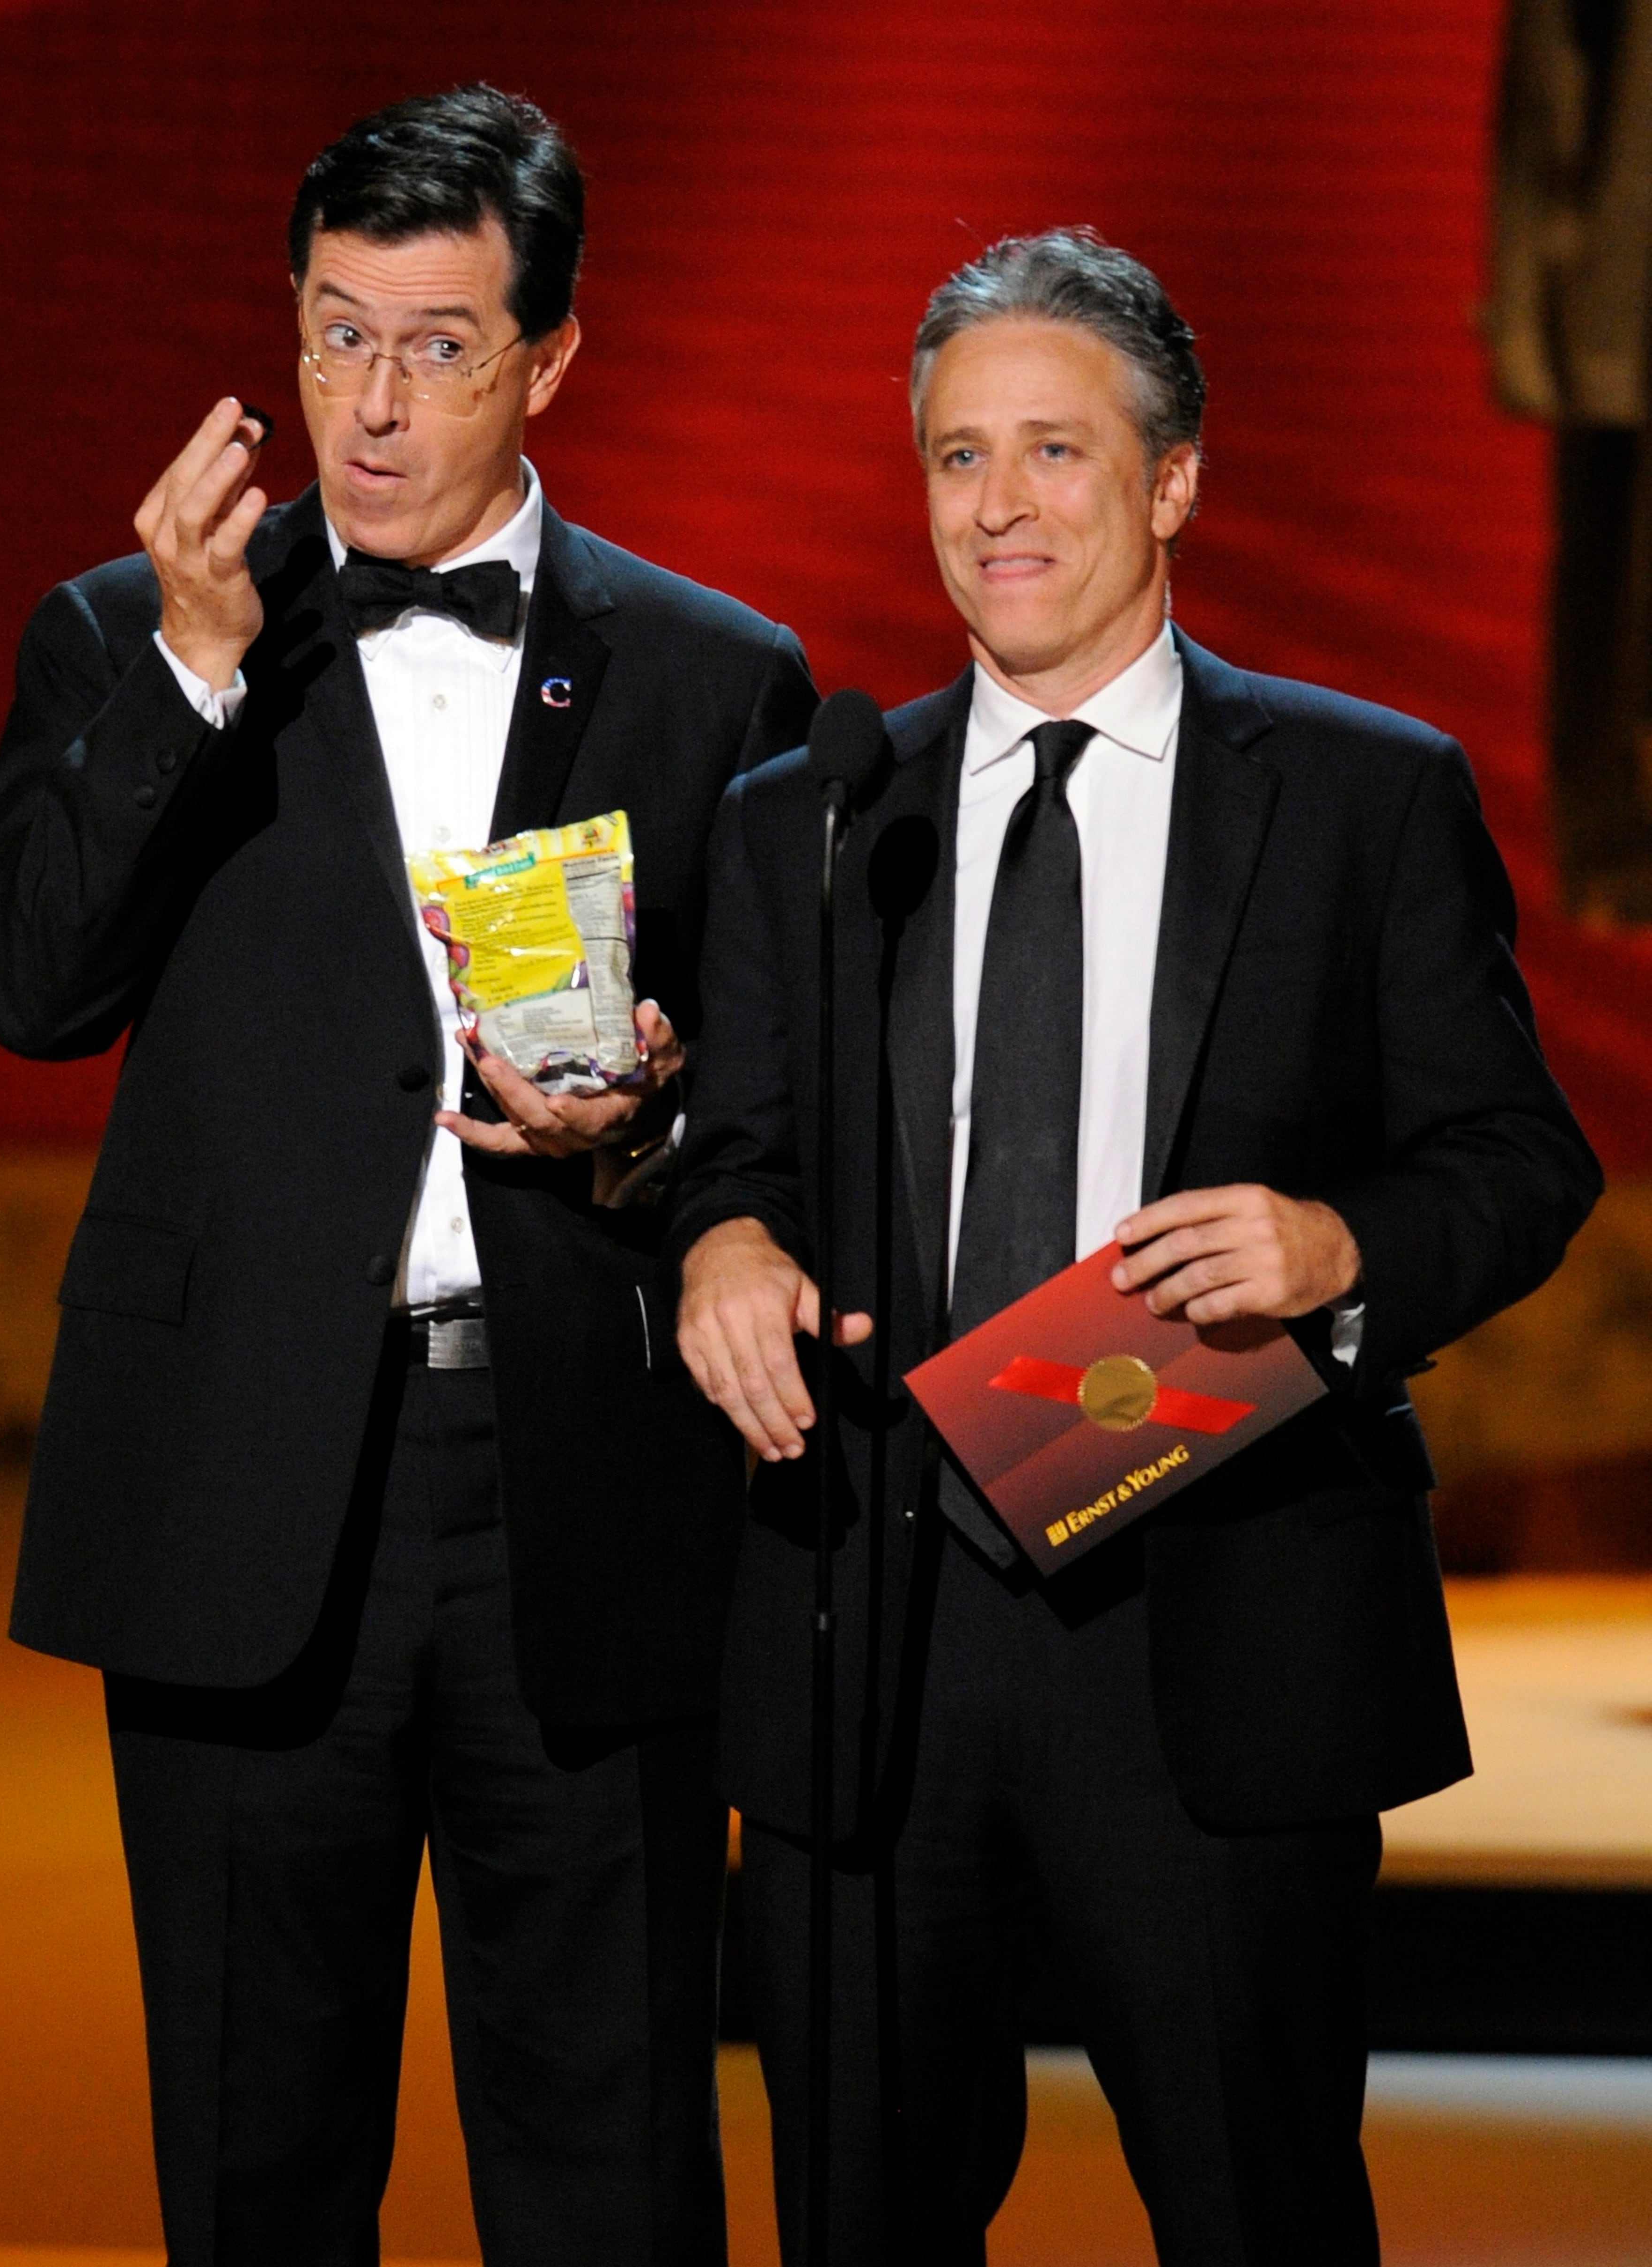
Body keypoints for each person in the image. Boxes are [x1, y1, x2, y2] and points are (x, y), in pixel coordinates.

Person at [670, 228, 1601, 2264]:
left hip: (1215, 1612)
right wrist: (721, 1243)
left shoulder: (1366, 797)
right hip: (873, 1626)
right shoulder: (809, 819)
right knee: (858, 2217)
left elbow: (1523, 1157)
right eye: (954, 456)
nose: (995, 507)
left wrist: (1338, 1236)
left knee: (1257, 2208)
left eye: (1054, 454)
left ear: (1174, 480)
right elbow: (730, 1155)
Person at [0, 85, 815, 2267]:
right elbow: (31, 989)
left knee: (609, 2159)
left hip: (581, 1492)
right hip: (249, 1491)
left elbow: (789, 1111)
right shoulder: (135, 630)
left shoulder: (715, 680)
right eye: (335, 334)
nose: (373, 398)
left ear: (553, 358)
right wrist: (195, 664)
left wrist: (659, 1134)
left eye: (438, 345)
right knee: (259, 2159)